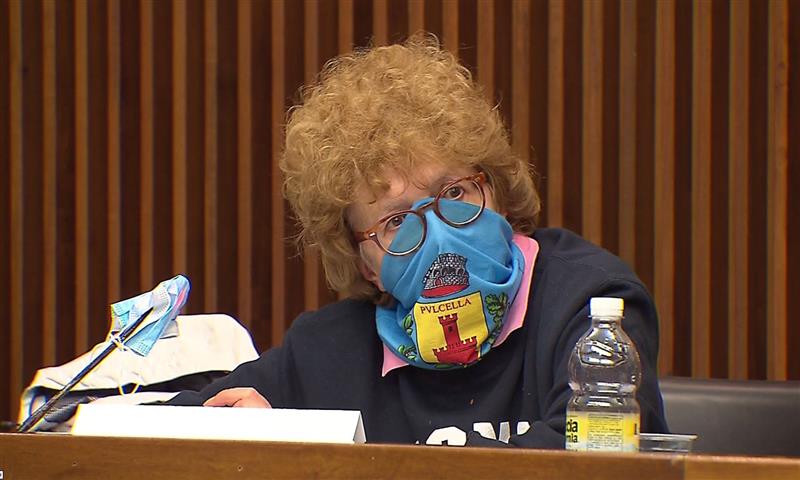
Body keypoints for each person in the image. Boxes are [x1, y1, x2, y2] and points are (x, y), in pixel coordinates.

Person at [168, 33, 668, 448]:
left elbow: (595, 461)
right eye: (396, 222)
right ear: (365, 263)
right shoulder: (329, 349)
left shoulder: (592, 307)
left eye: (454, 193)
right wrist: (244, 431)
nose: (440, 237)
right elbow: (154, 433)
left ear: (497, 191)